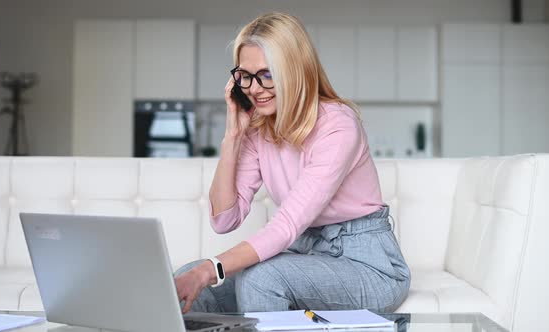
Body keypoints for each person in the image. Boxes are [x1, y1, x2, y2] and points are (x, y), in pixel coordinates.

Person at [174, 12, 410, 314]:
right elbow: (224, 220)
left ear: (295, 71)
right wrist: (232, 136)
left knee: (260, 279)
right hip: (307, 255)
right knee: (188, 274)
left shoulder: (338, 126)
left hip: (368, 265)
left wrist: (211, 269)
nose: (254, 88)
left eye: (267, 74)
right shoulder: (259, 128)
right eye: (245, 76)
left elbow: (286, 225)